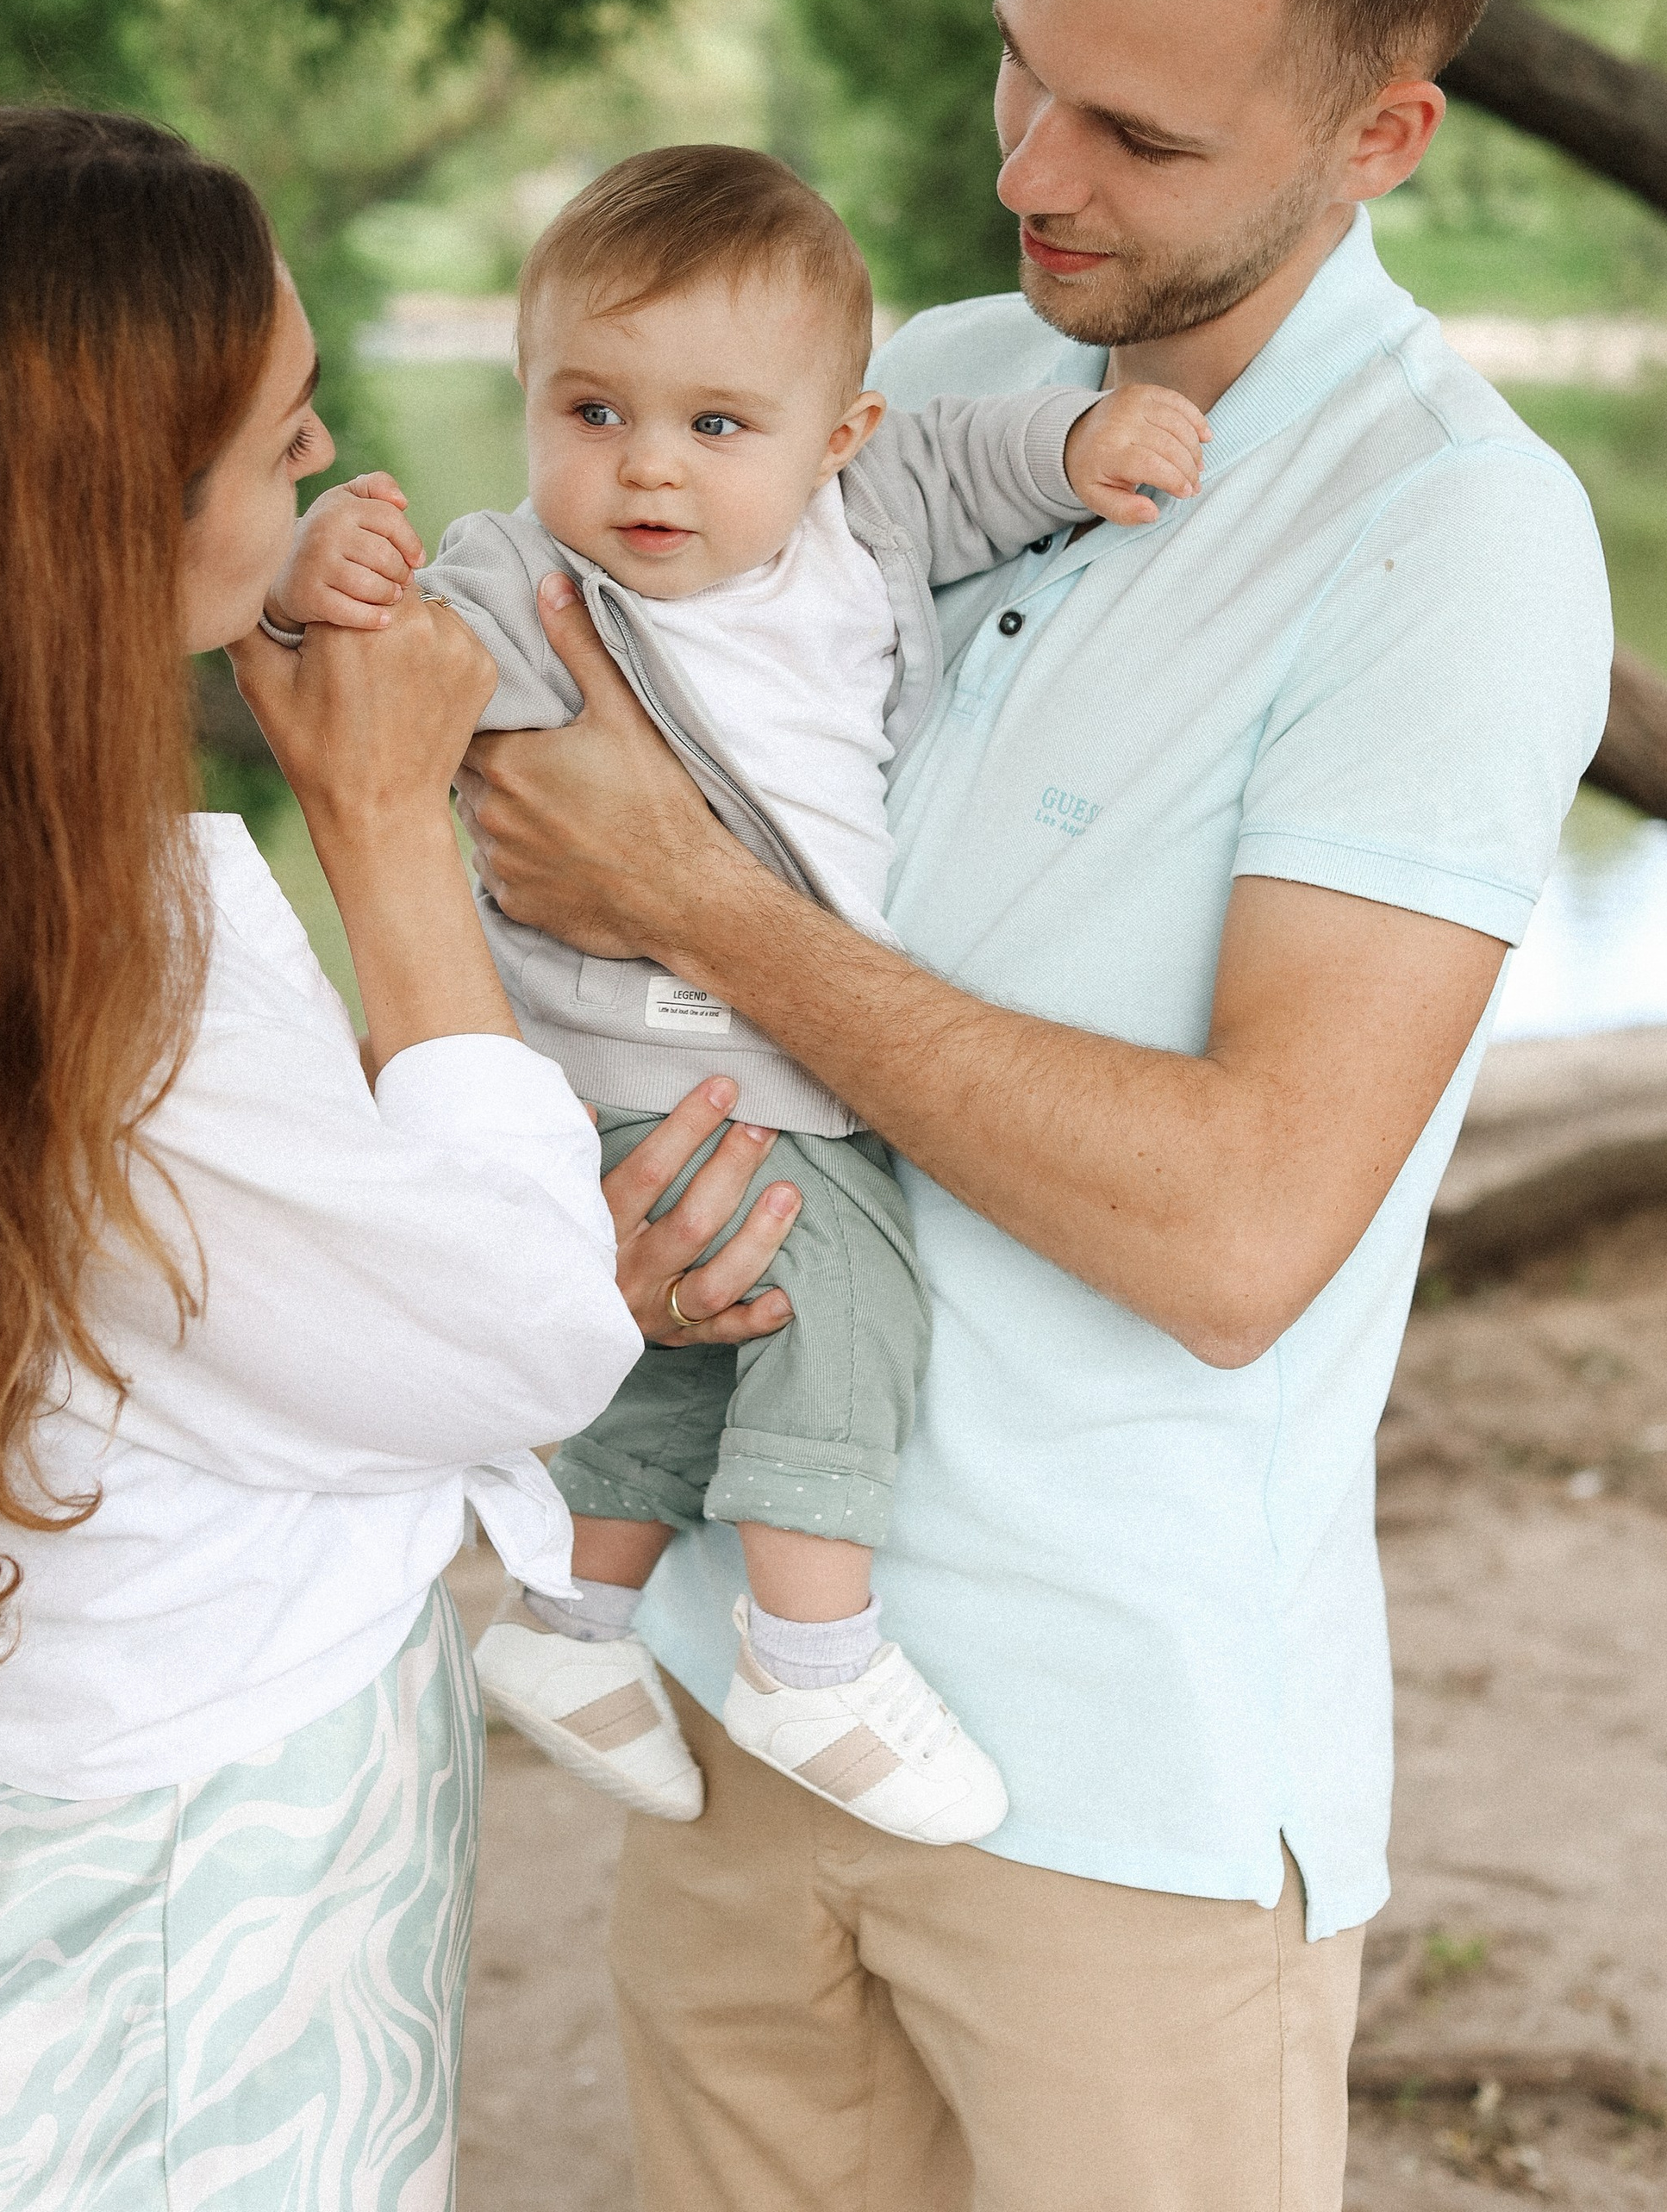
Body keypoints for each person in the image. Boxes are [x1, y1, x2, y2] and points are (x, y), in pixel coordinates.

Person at [454, 0, 1614, 2212]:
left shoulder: (1457, 538)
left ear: (1381, 133)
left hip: (1114, 1780)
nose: (1027, 170)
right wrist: (622, 1198)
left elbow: (1237, 1232)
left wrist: (698, 911)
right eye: (1022, 72)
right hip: (740, 1696)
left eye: (1136, 133)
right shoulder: (928, 391)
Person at [0, 103, 796, 2212]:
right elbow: (512, 1351)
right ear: (101, 520)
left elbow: (163, 1337)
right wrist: (389, 828)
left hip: (33, 1814)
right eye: (281, 438)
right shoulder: (98, 970)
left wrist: (461, 1281)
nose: (322, 469)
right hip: (225, 1868)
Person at [277, 143, 1207, 1848]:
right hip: (653, 1044)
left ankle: (566, 1624)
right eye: (590, 412)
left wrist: (1082, 448)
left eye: (716, 427)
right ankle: (813, 1649)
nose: (647, 470)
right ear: (530, 405)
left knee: (699, 1345)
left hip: (756, 1030)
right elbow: (391, 663)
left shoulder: (867, 517)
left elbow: (973, 458)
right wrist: (316, 578)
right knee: (843, 1306)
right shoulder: (527, 581)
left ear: (828, 438)